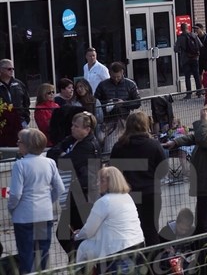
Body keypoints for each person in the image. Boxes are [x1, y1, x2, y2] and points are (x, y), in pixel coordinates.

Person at [164, 103, 207, 234]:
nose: (203, 121)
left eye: (205, 118)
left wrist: (202, 122)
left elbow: (202, 139)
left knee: (204, 223)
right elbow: (195, 137)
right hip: (206, 185)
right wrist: (175, 142)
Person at [9, 129, 64, 274]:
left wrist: (12, 208)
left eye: (20, 141)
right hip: (44, 215)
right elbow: (60, 188)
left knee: (26, 254)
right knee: (41, 254)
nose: (17, 144)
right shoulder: (50, 162)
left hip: (24, 217)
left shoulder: (20, 165)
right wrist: (48, 201)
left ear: (27, 145)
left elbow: (15, 194)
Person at [110, 111, 168, 246]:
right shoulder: (153, 145)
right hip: (151, 193)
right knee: (151, 230)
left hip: (128, 194)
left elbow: (114, 171)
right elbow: (163, 170)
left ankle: (137, 263)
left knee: (132, 231)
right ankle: (153, 264)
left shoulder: (119, 146)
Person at [50, 111, 101, 261]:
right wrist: (62, 153)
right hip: (74, 193)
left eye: (76, 126)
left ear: (87, 129)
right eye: (72, 125)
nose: (72, 128)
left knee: (71, 233)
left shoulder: (88, 145)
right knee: (65, 233)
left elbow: (66, 163)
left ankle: (81, 261)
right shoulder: (73, 140)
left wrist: (63, 156)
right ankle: (78, 259)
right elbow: (52, 153)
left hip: (84, 195)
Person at [74, 167, 145, 263]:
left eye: (101, 181)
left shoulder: (104, 202)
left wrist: (78, 236)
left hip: (118, 248)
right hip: (138, 242)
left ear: (109, 183)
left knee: (81, 246)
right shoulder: (127, 197)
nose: (97, 183)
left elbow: (89, 231)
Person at [95, 62, 141, 153]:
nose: (116, 79)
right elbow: (96, 102)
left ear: (122, 72)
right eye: (113, 77)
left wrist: (124, 103)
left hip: (124, 118)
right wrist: (108, 104)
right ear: (109, 74)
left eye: (118, 77)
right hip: (108, 120)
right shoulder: (103, 85)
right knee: (106, 144)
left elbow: (138, 102)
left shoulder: (130, 84)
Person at [0, 60, 30, 147]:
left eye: (13, 68)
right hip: (3, 124)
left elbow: (26, 101)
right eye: (9, 69)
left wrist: (25, 118)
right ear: (1, 70)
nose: (12, 71)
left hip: (20, 121)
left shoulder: (19, 84)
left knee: (24, 145)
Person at [174, 23, 203, 98]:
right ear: (188, 28)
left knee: (187, 77)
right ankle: (199, 92)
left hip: (185, 59)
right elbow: (200, 45)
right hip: (195, 58)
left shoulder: (180, 38)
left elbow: (176, 49)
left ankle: (189, 93)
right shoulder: (194, 35)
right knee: (196, 75)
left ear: (181, 29)